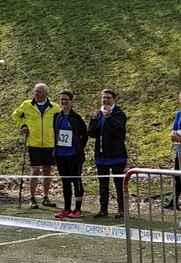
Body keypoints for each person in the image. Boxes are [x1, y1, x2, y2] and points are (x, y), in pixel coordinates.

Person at [11, 83, 60, 208]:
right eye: (35, 91)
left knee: (47, 170)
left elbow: (61, 120)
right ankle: (32, 198)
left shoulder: (54, 107)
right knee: (35, 170)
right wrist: (22, 125)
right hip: (33, 142)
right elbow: (15, 115)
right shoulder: (27, 105)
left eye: (38, 91)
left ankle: (45, 197)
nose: (35, 93)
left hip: (49, 143)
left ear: (45, 93)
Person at [89, 89, 127, 219]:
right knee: (103, 184)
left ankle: (121, 208)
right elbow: (91, 133)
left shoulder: (119, 114)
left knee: (119, 183)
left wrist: (108, 118)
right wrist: (93, 120)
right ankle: (103, 208)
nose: (105, 100)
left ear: (114, 99)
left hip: (117, 155)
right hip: (101, 155)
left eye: (108, 98)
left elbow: (117, 131)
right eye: (103, 98)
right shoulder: (98, 114)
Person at [52, 90, 88, 219]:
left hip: (74, 155)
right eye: (61, 99)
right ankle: (66, 208)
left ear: (71, 101)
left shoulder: (76, 118)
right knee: (65, 182)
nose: (64, 102)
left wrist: (78, 148)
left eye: (66, 99)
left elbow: (84, 135)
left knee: (76, 181)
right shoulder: (57, 116)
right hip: (60, 154)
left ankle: (77, 209)